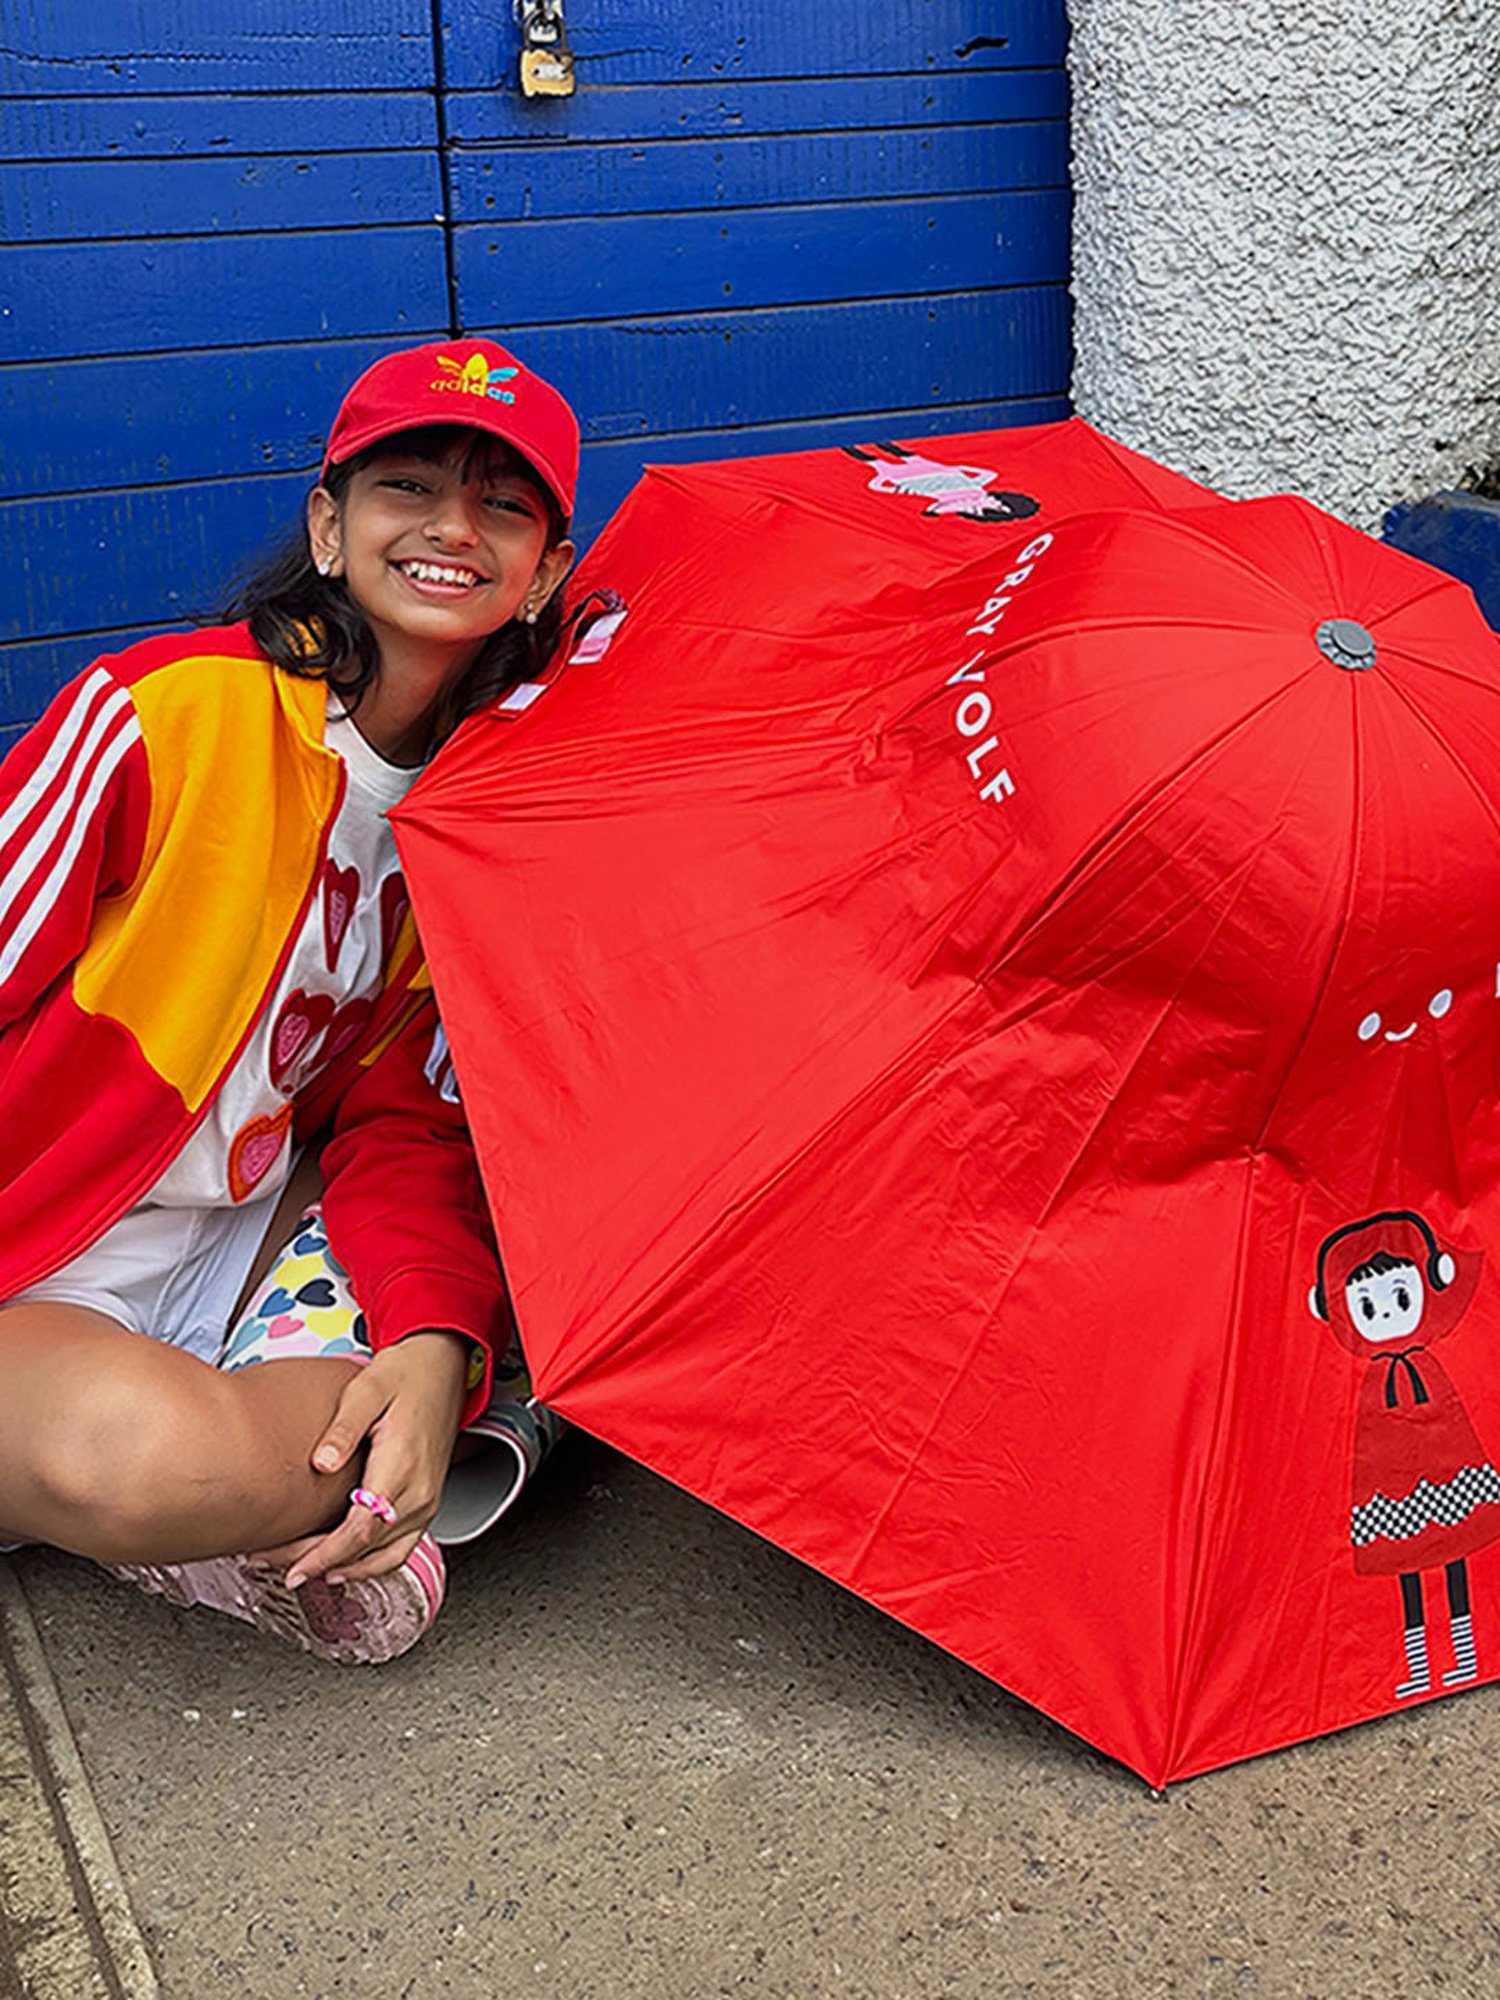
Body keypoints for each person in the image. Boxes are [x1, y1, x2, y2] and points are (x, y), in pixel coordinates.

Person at [0, 338, 578, 1662]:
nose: (452, 528)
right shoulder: (165, 717)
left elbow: (406, 1127)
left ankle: (458, 1428)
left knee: (393, 1415)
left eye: (505, 506)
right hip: (38, 1257)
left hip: (258, 1246)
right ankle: (201, 1535)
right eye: (409, 488)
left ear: (546, 571)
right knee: (119, 1466)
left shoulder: (481, 830)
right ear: (330, 526)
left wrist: (433, 1345)